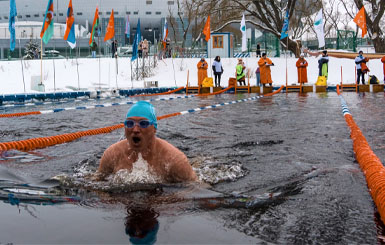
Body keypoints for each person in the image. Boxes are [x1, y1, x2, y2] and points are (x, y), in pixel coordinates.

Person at [97, 101, 197, 183]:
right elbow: (96, 182)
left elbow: (195, 188)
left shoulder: (174, 160)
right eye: (130, 123)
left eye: (143, 123)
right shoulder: (112, 155)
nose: (135, 129)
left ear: (154, 128)